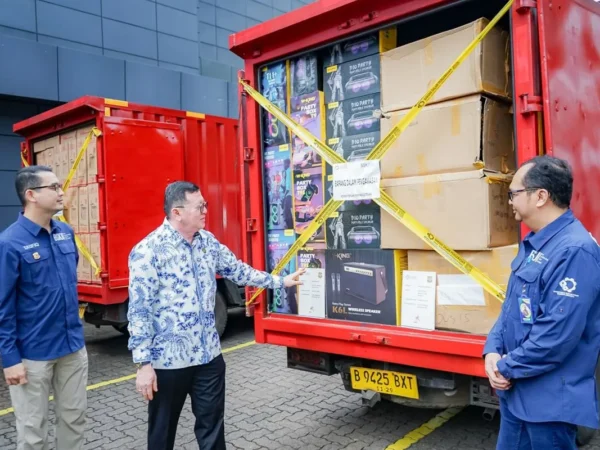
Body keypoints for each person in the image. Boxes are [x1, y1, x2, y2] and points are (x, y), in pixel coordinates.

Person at [127, 181, 306, 450]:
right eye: (199, 206)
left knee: (212, 430)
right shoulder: (148, 251)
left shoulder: (207, 242)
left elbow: (239, 271)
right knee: (162, 434)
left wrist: (280, 282)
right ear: (177, 212)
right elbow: (139, 309)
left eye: (205, 205)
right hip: (168, 363)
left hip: (208, 357)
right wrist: (143, 364)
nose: (205, 210)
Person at [483, 155, 600, 449]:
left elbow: (556, 335)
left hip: (548, 404)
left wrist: (505, 367)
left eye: (514, 192)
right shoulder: (536, 243)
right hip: (517, 395)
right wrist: (492, 351)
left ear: (541, 196)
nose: (509, 200)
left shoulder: (575, 250)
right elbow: (511, 308)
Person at [0, 165, 88, 450]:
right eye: (53, 187)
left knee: (74, 421)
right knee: (32, 430)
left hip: (72, 348)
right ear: (31, 195)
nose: (61, 192)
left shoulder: (65, 232)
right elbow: (3, 306)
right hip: (32, 355)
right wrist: (10, 359)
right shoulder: (10, 243)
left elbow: (68, 278)